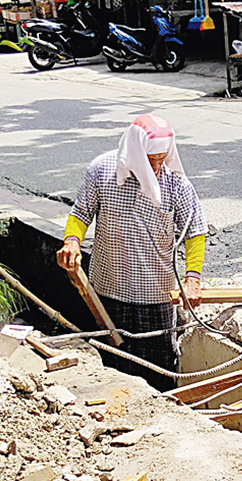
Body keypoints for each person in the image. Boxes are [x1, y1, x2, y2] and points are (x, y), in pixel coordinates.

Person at [58, 114, 207, 392]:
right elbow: (80, 213)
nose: (158, 166)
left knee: (159, 372)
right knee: (112, 371)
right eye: (151, 160)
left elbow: (195, 232)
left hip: (156, 298)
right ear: (136, 153)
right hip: (108, 293)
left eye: (162, 158)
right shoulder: (102, 170)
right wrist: (72, 241)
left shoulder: (176, 183)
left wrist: (193, 278)